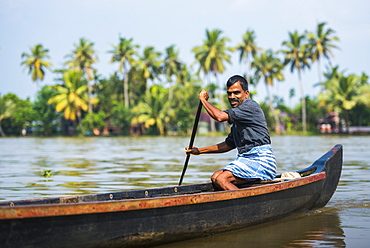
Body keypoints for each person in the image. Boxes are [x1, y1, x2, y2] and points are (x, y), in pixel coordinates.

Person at [186, 75, 276, 191]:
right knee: (215, 177)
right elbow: (227, 145)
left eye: (236, 93)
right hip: (245, 158)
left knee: (221, 179)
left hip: (261, 159)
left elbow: (219, 117)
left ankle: (244, 206)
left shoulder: (250, 107)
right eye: (229, 93)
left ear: (246, 94)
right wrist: (199, 151)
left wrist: (203, 100)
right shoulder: (238, 119)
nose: (232, 97)